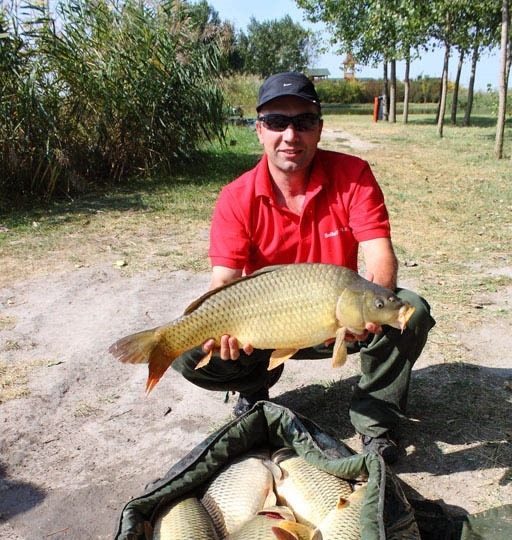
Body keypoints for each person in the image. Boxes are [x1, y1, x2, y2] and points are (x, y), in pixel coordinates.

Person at [173, 71, 435, 464]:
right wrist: (217, 331)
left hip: (337, 318)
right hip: (265, 326)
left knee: (408, 310)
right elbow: (223, 281)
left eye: (304, 122)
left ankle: (377, 423)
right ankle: (254, 386)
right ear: (259, 130)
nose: (290, 135)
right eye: (277, 122)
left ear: (319, 129)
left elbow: (380, 255)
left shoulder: (353, 176)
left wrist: (373, 312)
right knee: (189, 353)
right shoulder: (235, 197)